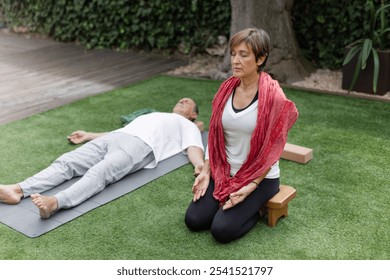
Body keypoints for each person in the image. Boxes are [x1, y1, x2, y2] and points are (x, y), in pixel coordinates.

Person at [0, 98, 204, 219]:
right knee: (67, 161)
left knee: (100, 171)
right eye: (182, 99)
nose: (183, 100)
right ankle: (17, 189)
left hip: (140, 147)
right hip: (116, 137)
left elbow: (193, 147)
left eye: (188, 102)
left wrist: (200, 165)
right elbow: (123, 129)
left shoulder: (188, 126)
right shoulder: (156, 114)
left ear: (193, 114)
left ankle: (55, 203)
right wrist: (89, 135)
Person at [184, 28, 299, 243]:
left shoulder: (274, 97)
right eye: (233, 53)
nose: (235, 60)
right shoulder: (226, 89)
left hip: (259, 178)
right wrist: (207, 172)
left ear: (261, 58)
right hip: (224, 171)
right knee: (194, 220)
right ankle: (227, 199)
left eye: (243, 55)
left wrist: (251, 186)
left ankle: (257, 211)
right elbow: (215, 135)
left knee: (221, 231)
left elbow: (273, 150)